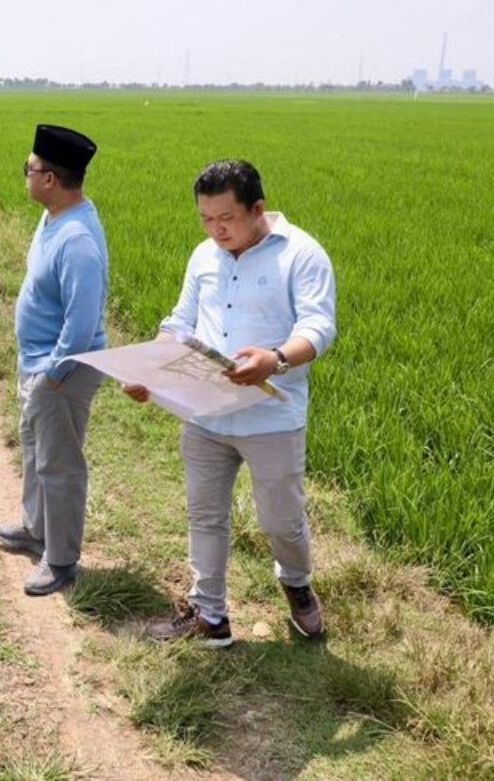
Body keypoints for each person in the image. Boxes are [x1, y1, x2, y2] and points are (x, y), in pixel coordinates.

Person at [123, 159, 336, 644]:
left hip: (271, 418)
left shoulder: (301, 255)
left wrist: (275, 359)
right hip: (205, 414)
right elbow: (180, 321)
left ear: (257, 208)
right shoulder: (204, 256)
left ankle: (297, 582)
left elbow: (318, 327)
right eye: (206, 219)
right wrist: (148, 368)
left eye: (226, 218)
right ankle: (210, 614)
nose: (216, 229)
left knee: (281, 522)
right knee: (204, 515)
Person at [0, 124, 108, 596]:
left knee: (59, 466)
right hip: (37, 363)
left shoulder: (77, 239)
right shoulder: (54, 217)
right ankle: (35, 528)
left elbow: (81, 324)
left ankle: (60, 559)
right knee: (35, 451)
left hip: (61, 371)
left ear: (50, 179)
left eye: (30, 169)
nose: (26, 175)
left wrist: (53, 375)